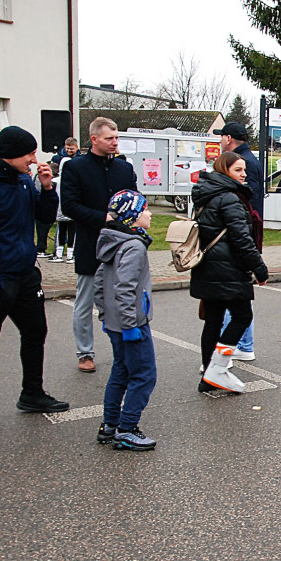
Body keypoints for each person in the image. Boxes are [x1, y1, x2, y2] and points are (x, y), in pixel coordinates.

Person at [0, 125, 69, 436]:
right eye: (29, 153)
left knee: (36, 332)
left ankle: (32, 394)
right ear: (9, 155)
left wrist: (47, 189)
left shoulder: (21, 180)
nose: (35, 159)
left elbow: (43, 218)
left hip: (24, 273)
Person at [60, 117, 137, 374]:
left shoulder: (124, 169)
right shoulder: (75, 167)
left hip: (121, 246)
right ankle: (85, 353)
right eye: (109, 138)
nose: (115, 142)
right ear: (94, 139)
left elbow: (135, 201)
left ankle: (123, 350)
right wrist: (102, 217)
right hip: (90, 245)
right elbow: (70, 205)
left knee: (122, 301)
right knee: (85, 303)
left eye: (116, 138)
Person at [190, 152, 269, 394]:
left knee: (213, 320)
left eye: (244, 170)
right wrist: (259, 267)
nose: (244, 174)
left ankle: (208, 376)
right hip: (228, 268)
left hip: (207, 265)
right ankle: (217, 368)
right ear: (225, 171)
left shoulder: (207, 193)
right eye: (238, 170)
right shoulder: (230, 198)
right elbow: (241, 238)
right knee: (242, 316)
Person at [94, 190, 158, 451]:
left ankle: (110, 424)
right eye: (145, 209)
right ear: (133, 217)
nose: (150, 213)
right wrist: (131, 324)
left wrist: (105, 314)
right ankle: (127, 428)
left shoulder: (112, 241)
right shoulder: (133, 246)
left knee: (120, 370)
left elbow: (100, 283)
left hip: (114, 321)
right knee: (144, 374)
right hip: (130, 323)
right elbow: (125, 288)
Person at [214, 122, 264, 361]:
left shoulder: (243, 165)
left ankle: (236, 347)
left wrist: (255, 261)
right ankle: (240, 345)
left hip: (236, 247)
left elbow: (247, 211)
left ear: (229, 138)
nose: (242, 174)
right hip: (238, 245)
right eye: (238, 171)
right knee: (236, 301)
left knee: (235, 302)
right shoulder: (248, 161)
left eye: (222, 137)